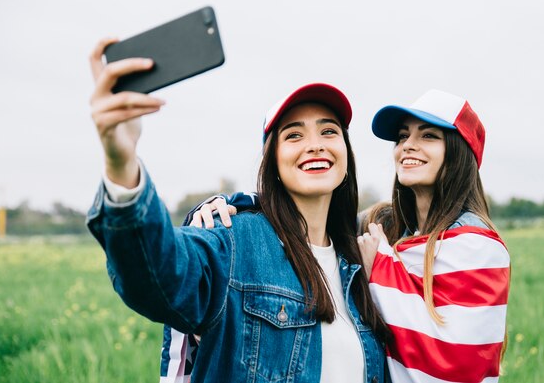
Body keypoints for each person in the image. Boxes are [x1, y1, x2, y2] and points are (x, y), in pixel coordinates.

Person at [86, 37, 389, 383]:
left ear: (346, 156)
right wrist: (121, 162)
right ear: (272, 163)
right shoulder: (235, 240)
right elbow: (156, 275)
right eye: (293, 136)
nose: (315, 145)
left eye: (329, 131)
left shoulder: (360, 260)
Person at [192, 89, 511, 383]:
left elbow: (458, 364)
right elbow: (317, 214)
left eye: (428, 136)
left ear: (460, 152)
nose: (407, 146)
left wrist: (383, 269)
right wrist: (233, 204)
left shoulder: (476, 246)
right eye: (402, 136)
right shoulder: (385, 226)